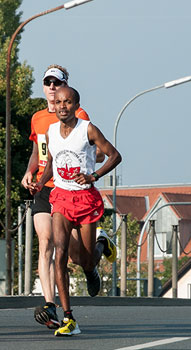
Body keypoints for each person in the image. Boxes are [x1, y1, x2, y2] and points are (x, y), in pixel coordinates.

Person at [20, 65, 107, 329]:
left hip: (78, 190)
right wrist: (30, 173)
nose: (52, 87)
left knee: (79, 257)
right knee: (48, 243)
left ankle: (98, 248)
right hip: (49, 188)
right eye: (47, 83)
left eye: (57, 83)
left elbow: (98, 152)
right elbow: (40, 153)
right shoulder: (38, 118)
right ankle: (53, 305)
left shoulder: (79, 115)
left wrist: (89, 172)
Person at [35, 86, 121, 336]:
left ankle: (101, 244)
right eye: (59, 102)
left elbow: (115, 156)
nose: (62, 106)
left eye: (68, 102)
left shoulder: (88, 129)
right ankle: (69, 318)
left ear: (76, 105)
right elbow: (52, 162)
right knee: (59, 253)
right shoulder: (50, 131)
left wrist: (93, 175)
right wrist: (40, 183)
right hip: (61, 198)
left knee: (85, 261)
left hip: (85, 199)